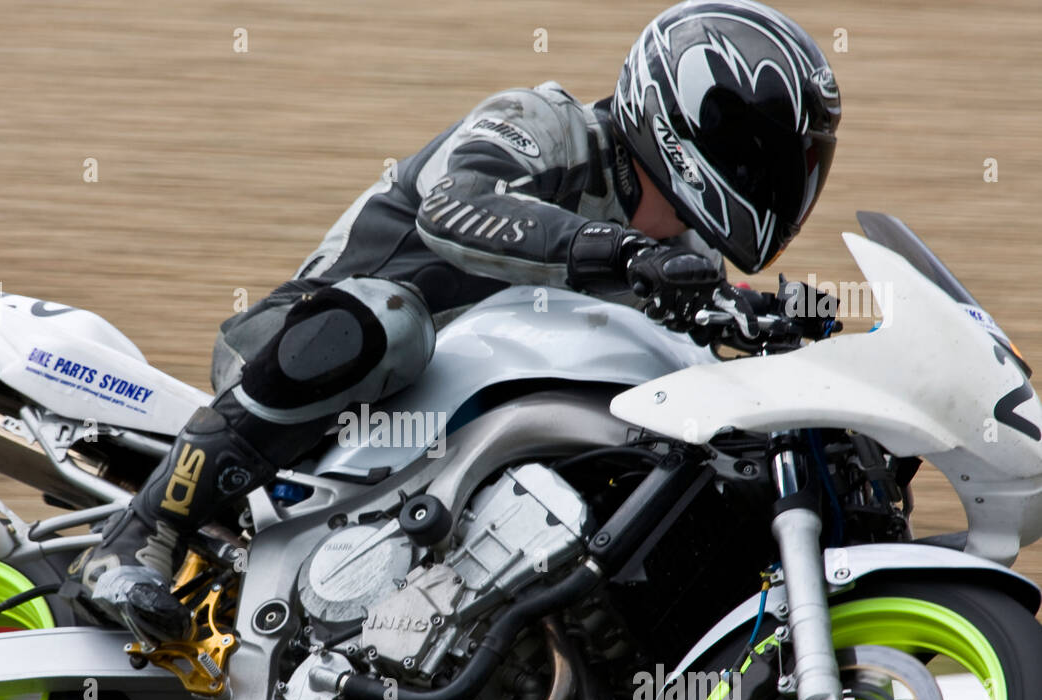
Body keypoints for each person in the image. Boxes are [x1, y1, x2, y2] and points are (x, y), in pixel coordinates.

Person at [68, 0, 842, 645]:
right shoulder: (546, 125)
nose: (768, 180)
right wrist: (622, 252)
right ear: (685, 118)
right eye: (756, 155)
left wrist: (774, 318)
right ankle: (137, 539)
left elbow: (707, 331)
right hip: (309, 351)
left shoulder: (684, 254)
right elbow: (457, 206)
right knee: (391, 319)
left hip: (443, 435)